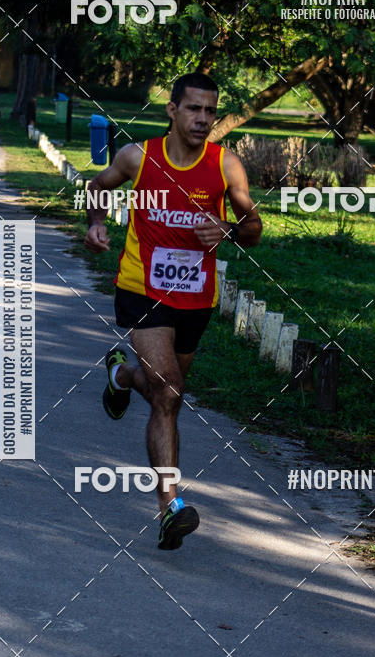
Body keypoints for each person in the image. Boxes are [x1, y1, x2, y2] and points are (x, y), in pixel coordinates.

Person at [84, 73, 262, 550]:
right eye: (193, 108)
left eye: (210, 111)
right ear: (172, 110)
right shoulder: (138, 158)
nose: (203, 119)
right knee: (167, 392)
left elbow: (253, 229)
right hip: (142, 289)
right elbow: (98, 186)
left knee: (169, 393)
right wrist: (97, 224)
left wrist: (227, 229)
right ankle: (170, 508)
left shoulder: (225, 165)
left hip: (196, 298)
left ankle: (122, 376)